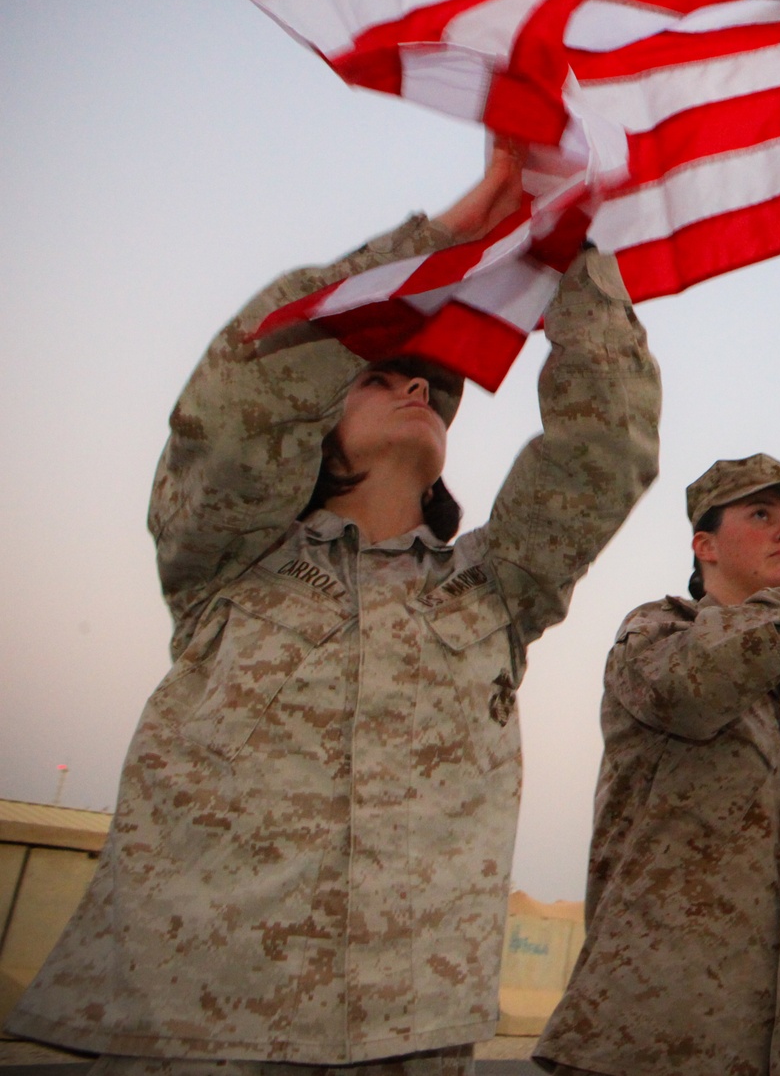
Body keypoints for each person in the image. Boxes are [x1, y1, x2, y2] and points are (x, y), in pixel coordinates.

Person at [6, 149, 661, 1076]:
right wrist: (439, 241)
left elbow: (607, 441)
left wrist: (573, 248)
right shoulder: (230, 558)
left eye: (433, 388)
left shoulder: (494, 592)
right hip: (200, 1020)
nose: (419, 388)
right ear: (315, 412)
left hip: (409, 1034)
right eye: (383, 375)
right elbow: (242, 390)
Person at [534, 453, 780, 1076]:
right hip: (646, 1043)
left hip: (778, 1051)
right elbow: (694, 689)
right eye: (761, 513)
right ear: (704, 544)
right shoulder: (655, 634)